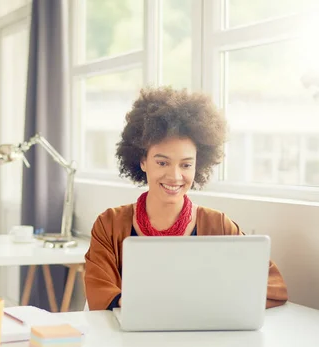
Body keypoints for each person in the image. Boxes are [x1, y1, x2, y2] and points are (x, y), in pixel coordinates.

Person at [84, 87, 288, 311]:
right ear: (143, 161)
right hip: (126, 341)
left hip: (201, 341)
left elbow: (273, 287)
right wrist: (153, 306)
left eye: (186, 165)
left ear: (198, 165)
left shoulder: (218, 225)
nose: (175, 176)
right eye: (162, 162)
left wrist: (204, 303)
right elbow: (99, 291)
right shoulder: (109, 224)